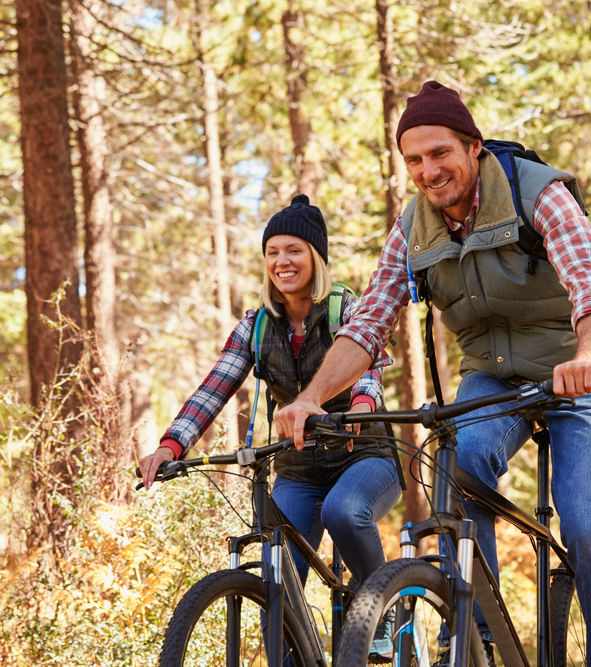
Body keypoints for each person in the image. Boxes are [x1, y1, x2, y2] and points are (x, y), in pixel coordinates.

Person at [273, 82, 591, 667]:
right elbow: (367, 324)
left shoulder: (538, 194)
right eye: (413, 159)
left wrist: (590, 357)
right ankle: (479, 637)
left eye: (439, 153)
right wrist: (314, 396)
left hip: (574, 372)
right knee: (459, 469)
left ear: (473, 148)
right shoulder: (412, 227)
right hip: (491, 380)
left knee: (588, 526)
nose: (428, 170)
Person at [139, 194, 402, 609]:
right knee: (277, 589)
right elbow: (213, 389)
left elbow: (367, 367)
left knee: (344, 511)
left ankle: (384, 605)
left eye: (294, 250)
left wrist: (361, 408)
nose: (283, 261)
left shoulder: (346, 310)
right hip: (297, 469)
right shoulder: (256, 326)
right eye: (273, 252)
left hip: (364, 457)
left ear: (316, 257)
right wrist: (171, 445)